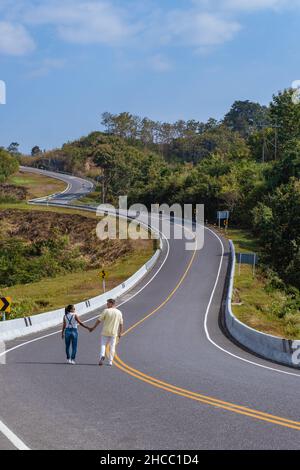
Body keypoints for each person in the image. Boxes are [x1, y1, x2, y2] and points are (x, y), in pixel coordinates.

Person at [90, 299, 123, 366]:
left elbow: (99, 320)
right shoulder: (119, 312)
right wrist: (120, 332)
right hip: (114, 332)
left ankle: (102, 356)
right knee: (112, 346)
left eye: (108, 303)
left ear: (111, 304)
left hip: (105, 331)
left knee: (103, 344)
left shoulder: (106, 311)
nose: (107, 305)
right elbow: (121, 323)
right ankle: (110, 361)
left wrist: (93, 328)